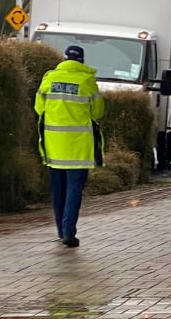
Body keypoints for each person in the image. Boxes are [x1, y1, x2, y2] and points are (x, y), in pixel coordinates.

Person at [34, 45, 105, 248]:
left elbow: (39, 108)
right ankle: (68, 232)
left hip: (54, 146)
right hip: (78, 149)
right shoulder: (87, 81)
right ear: (81, 61)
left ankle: (60, 230)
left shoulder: (49, 78)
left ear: (64, 59)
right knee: (74, 190)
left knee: (58, 190)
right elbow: (98, 112)